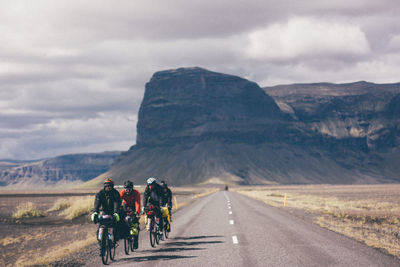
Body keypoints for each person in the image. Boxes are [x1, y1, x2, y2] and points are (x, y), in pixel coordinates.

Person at [91, 178, 121, 249]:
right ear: (104, 186)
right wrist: (95, 212)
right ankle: (102, 245)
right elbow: (97, 203)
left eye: (110, 186)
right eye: (107, 186)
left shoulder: (115, 193)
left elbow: (117, 203)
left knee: (115, 226)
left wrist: (116, 212)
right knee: (100, 229)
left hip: (113, 212)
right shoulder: (100, 193)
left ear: (112, 186)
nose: (108, 187)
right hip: (104, 212)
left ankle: (114, 241)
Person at [120, 180, 141, 249]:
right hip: (126, 205)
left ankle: (136, 241)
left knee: (135, 223)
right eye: (126, 189)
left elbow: (138, 203)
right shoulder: (122, 192)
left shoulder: (136, 193)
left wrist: (137, 212)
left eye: (129, 189)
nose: (127, 191)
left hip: (134, 206)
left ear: (132, 188)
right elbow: (119, 201)